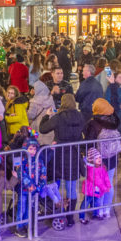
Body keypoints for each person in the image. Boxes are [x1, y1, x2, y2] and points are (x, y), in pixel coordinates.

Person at [39, 94, 84, 227]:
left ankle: (54, 210)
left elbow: (43, 129)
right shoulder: (80, 116)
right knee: (71, 189)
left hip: (59, 155)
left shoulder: (58, 117)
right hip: (74, 155)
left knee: (55, 184)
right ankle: (70, 218)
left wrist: (47, 115)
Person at [83, 98, 121, 219]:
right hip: (113, 158)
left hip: (99, 160)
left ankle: (98, 211)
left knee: (99, 185)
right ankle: (107, 210)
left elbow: (89, 142)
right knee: (109, 184)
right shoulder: (114, 120)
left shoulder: (93, 123)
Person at [78, 147, 112, 225]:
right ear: (91, 160)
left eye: (100, 157)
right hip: (90, 190)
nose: (99, 159)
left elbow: (106, 177)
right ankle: (81, 217)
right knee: (86, 203)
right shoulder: (91, 169)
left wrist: (108, 185)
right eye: (96, 158)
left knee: (95, 202)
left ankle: (95, 214)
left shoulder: (102, 167)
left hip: (97, 190)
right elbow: (97, 181)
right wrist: (104, 188)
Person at [28, 80, 55, 145]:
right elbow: (54, 111)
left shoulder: (34, 102)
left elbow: (31, 115)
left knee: (38, 147)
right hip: (49, 127)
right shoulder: (51, 99)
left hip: (37, 128)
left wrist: (25, 112)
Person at [104, 71, 121, 135]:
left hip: (120, 112)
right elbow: (108, 100)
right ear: (115, 79)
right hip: (113, 113)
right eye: (119, 77)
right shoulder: (110, 88)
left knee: (120, 130)